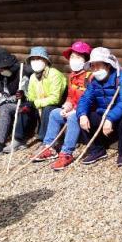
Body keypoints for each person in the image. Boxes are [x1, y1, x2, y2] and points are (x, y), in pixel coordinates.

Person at [31, 41, 93, 170]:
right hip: (74, 110)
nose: (73, 60)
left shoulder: (90, 77)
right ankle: (49, 147)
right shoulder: (72, 76)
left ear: (86, 60)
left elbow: (91, 100)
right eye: (72, 57)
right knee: (54, 113)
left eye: (78, 57)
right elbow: (70, 96)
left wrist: (74, 110)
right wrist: (67, 106)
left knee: (72, 117)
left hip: (87, 112)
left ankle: (67, 153)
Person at [75, 47, 122, 166]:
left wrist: (110, 118)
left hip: (120, 114)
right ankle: (97, 150)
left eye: (98, 65)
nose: (95, 69)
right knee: (85, 117)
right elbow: (85, 99)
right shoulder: (94, 81)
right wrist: (82, 115)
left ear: (108, 65)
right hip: (104, 113)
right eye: (92, 66)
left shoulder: (121, 77)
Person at [10, 46, 67, 152]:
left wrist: (35, 103)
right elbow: (31, 97)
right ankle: (18, 139)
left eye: (39, 59)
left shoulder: (54, 74)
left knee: (48, 108)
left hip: (56, 106)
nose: (35, 62)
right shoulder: (33, 77)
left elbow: (55, 98)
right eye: (33, 59)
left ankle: (44, 140)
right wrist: (24, 96)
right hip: (39, 105)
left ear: (46, 60)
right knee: (25, 106)